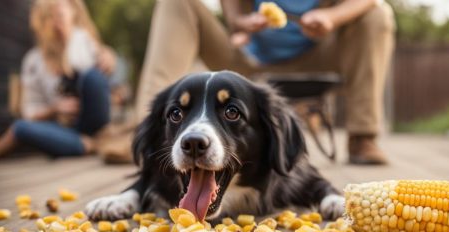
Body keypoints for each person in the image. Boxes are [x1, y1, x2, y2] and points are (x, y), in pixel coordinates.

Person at [135, 0, 395, 165]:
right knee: (176, 2)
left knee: (378, 14)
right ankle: (147, 131)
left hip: (318, 53)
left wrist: (332, 17)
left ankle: (363, 136)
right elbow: (235, 16)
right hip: (248, 59)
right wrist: (241, 23)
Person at [0, 0, 115, 157]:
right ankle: (88, 143)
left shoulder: (84, 41)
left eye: (61, 14)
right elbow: (29, 113)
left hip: (92, 119)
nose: (56, 21)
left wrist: (107, 56)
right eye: (49, 16)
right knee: (21, 127)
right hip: (62, 128)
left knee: (93, 78)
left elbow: (96, 79)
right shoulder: (33, 61)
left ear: (73, 13)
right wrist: (54, 109)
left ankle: (88, 141)